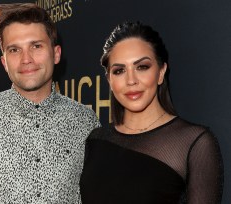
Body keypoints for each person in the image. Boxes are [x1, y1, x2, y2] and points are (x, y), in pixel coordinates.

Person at [0, 3, 100, 203]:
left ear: (56, 53)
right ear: (4, 62)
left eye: (36, 46)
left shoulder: (85, 122)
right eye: (14, 50)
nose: (26, 59)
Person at [80, 21, 223, 204]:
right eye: (119, 70)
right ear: (109, 79)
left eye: (142, 67)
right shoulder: (96, 139)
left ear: (161, 72)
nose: (131, 80)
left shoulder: (194, 143)